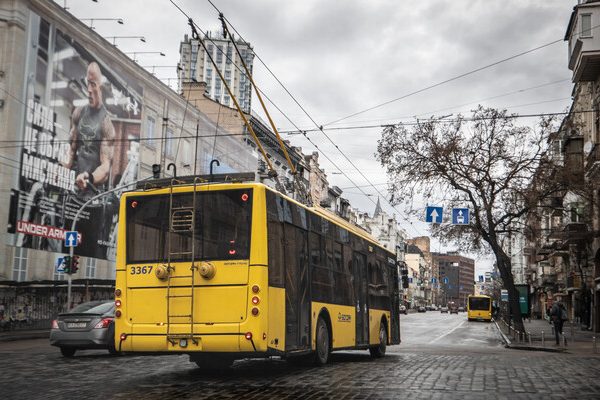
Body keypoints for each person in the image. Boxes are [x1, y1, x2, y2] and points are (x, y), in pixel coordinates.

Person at [65, 61, 115, 201]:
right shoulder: (78, 113)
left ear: (101, 88)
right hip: (73, 189)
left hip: (92, 196)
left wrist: (89, 177)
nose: (89, 89)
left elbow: (105, 167)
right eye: (88, 83)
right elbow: (71, 150)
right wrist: (60, 168)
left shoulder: (106, 124)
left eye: (93, 84)